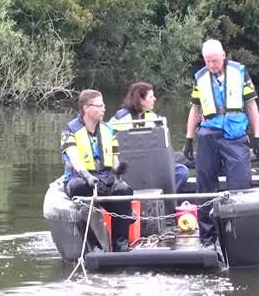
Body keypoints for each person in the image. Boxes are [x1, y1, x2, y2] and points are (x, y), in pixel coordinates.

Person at [181, 39, 259, 243]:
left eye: (215, 61)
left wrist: (258, 136)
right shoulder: (200, 78)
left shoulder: (239, 73)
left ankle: (237, 235)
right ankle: (207, 237)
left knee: (239, 184)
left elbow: (251, 106)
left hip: (234, 134)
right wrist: (189, 139)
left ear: (223, 56)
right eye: (208, 62)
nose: (212, 66)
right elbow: (195, 109)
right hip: (208, 134)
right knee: (204, 184)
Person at [59, 89, 134, 252]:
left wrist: (119, 168)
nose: (104, 109)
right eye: (99, 106)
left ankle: (121, 243)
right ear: (86, 108)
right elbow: (75, 159)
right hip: (79, 179)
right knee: (80, 188)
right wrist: (87, 176)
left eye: (103, 105)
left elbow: (114, 162)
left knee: (123, 190)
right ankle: (92, 245)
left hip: (104, 178)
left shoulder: (109, 130)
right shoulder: (69, 131)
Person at [109, 82, 190, 192]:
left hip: (151, 165)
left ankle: (165, 201)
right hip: (129, 167)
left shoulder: (153, 117)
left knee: (181, 171)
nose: (155, 99)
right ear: (141, 100)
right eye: (151, 96)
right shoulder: (120, 119)